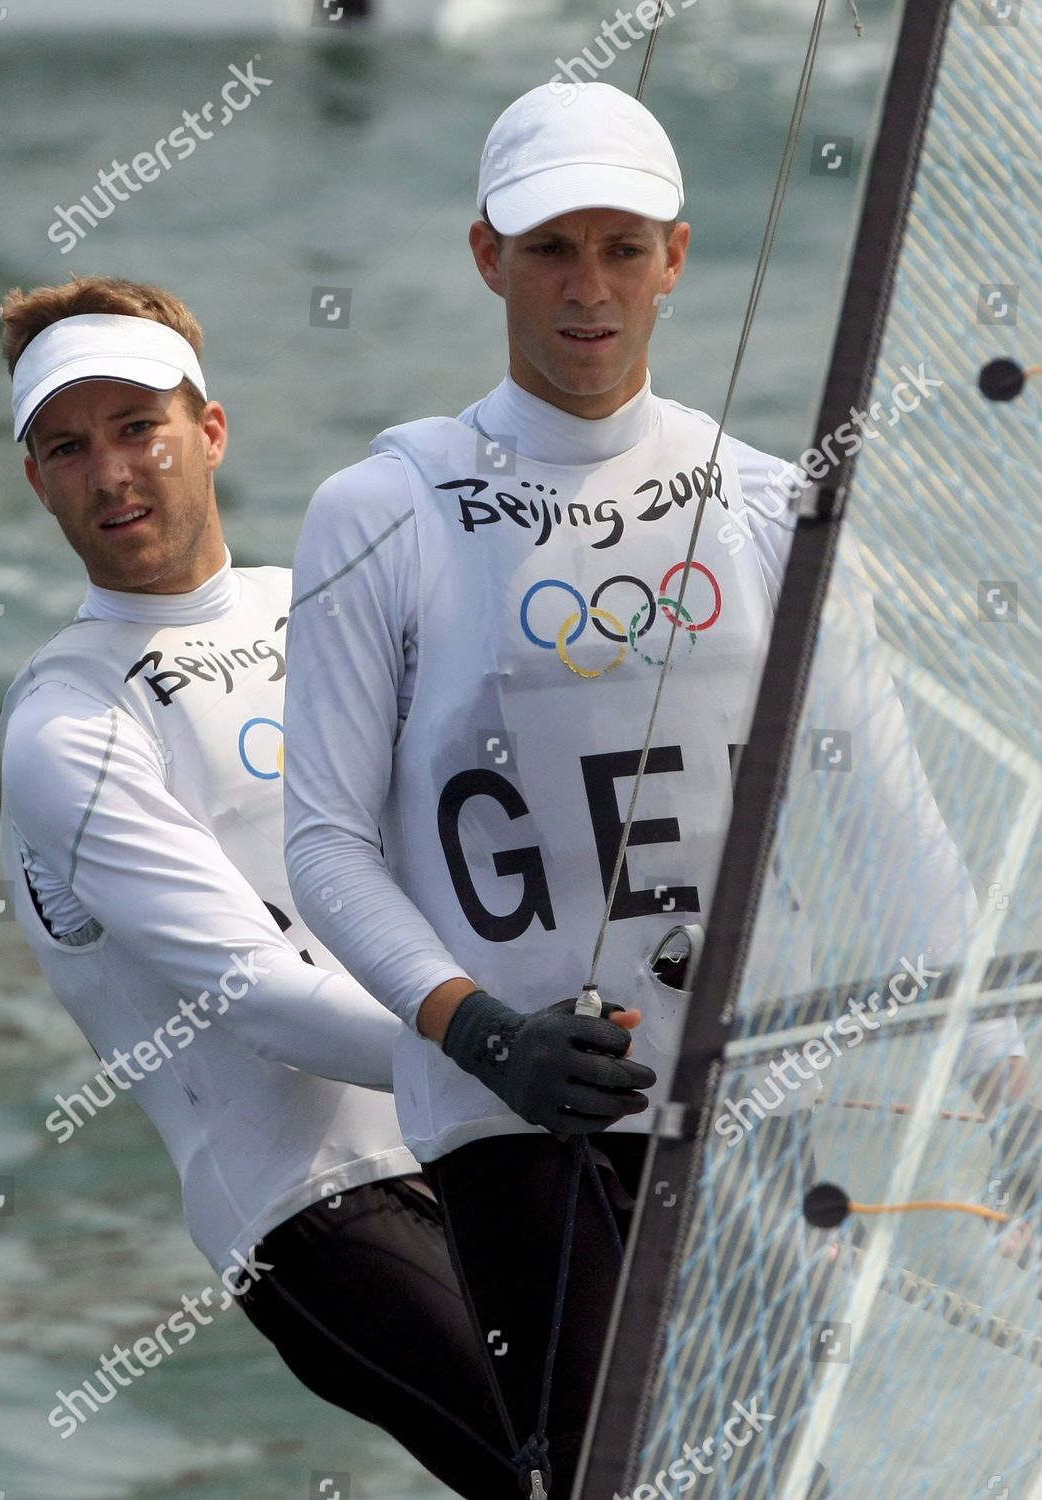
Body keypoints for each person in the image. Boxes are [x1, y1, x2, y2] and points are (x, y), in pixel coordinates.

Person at [283, 84, 1030, 1499]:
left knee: (771, 1476)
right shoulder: (382, 510)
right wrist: (481, 1032)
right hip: (516, 1116)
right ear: (486, 256)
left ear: (675, 259)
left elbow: (886, 824)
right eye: (551, 249)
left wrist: (1003, 1072)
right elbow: (324, 843)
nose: (588, 289)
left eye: (623, 250)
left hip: (738, 1097)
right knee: (612, 1478)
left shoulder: (771, 507)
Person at [0, 276, 515, 1499]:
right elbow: (258, 998)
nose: (111, 473)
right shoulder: (66, 725)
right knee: (598, 1464)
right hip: (322, 1210)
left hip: (493, 1128)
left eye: (139, 428)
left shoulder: (329, 607)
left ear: (211, 430)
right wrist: (498, 1047)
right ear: (38, 482)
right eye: (68, 448)